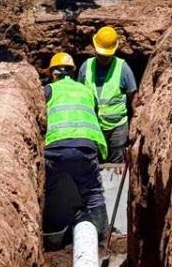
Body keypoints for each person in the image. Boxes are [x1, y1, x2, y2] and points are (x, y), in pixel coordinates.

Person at [43, 52, 108, 239]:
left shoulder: (48, 90)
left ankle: (50, 235)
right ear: (72, 72)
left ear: (53, 73)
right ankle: (102, 236)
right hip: (84, 147)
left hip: (54, 149)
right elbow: (94, 112)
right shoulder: (86, 90)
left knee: (47, 191)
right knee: (93, 192)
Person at [78, 26, 137, 163]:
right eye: (101, 54)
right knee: (92, 163)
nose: (104, 58)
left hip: (117, 127)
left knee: (117, 164)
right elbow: (78, 96)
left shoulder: (123, 68)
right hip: (92, 126)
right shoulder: (86, 68)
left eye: (107, 55)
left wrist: (135, 122)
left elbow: (133, 98)